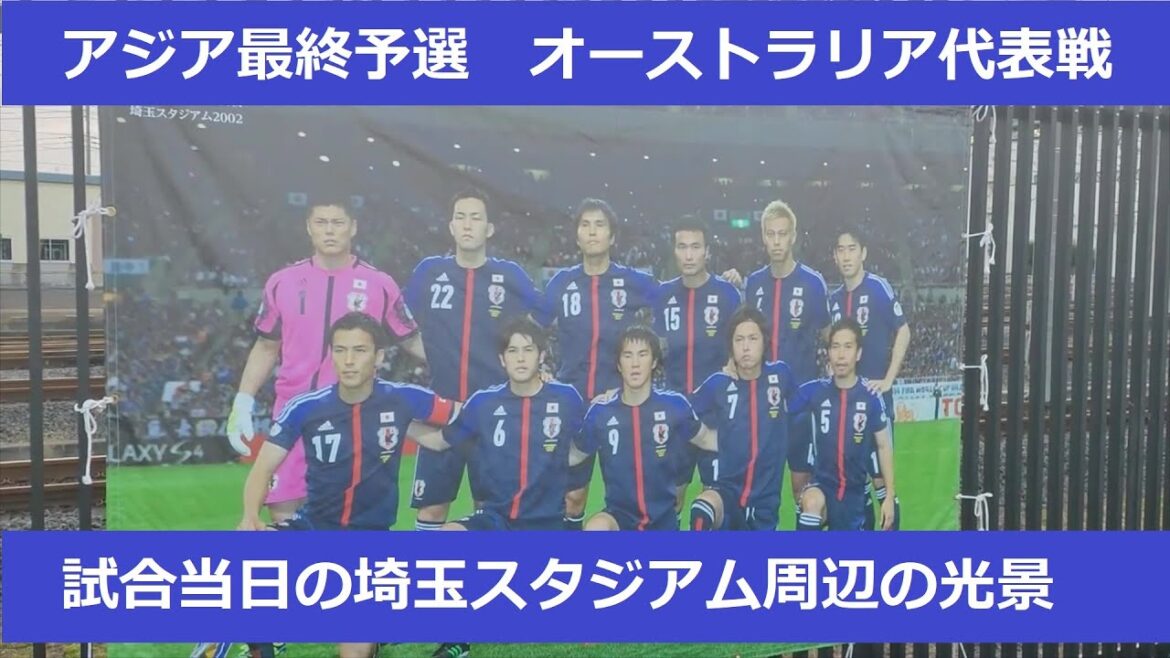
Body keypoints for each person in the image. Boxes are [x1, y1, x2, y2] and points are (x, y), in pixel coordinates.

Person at [237, 312, 457, 658]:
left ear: (379, 356)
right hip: (313, 529)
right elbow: (262, 468)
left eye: (359, 350)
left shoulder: (402, 399)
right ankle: (261, 647)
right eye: (340, 350)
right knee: (248, 547)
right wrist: (250, 517)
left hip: (369, 543)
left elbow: (466, 417)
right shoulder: (306, 407)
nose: (349, 360)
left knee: (354, 654)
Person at [226, 198, 425, 524]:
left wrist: (465, 368)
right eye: (321, 222)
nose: (329, 230)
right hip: (293, 415)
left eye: (337, 222)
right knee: (284, 519)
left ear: (353, 228)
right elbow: (265, 347)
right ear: (309, 228)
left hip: (353, 419)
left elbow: (412, 339)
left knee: (348, 521)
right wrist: (243, 401)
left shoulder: (380, 284)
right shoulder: (282, 282)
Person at [404, 188, 543, 530]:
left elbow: (543, 321)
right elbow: (398, 325)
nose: (468, 225)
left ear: (489, 229)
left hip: (493, 414)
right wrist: (431, 355)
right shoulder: (429, 272)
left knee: (490, 510)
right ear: (451, 226)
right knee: (432, 509)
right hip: (441, 410)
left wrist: (535, 367)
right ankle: (429, 579)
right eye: (461, 217)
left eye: (476, 218)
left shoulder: (509, 276)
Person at [541, 199, 659, 530]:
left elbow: (676, 300)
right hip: (573, 402)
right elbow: (531, 327)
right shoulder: (561, 283)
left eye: (600, 225)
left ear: (612, 236)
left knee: (629, 497)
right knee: (571, 496)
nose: (592, 232)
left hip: (618, 405)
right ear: (577, 237)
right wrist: (539, 368)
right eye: (585, 225)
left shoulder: (631, 281)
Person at [438, 316, 586, 531]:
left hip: (547, 522)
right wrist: (403, 420)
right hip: (495, 519)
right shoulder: (483, 402)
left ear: (541, 356)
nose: (520, 358)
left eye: (528, 350)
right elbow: (441, 441)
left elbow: (589, 440)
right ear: (502, 359)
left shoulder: (566, 398)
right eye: (512, 351)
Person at [576, 325, 717, 531]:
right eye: (628, 355)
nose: (635, 363)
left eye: (642, 355)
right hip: (618, 517)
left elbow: (706, 439)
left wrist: (750, 442)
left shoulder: (675, 405)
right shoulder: (601, 411)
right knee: (594, 529)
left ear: (653, 362)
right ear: (618, 363)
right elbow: (573, 454)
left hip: (663, 518)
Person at [742, 200, 830, 520]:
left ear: (793, 236)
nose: (777, 241)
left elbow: (830, 338)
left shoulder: (812, 283)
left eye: (783, 234)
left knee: (800, 486)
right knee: (760, 488)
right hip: (760, 405)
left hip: (799, 405)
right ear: (763, 237)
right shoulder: (753, 284)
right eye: (770, 234)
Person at [654, 215, 742, 509]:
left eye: (695, 247)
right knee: (672, 500)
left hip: (716, 414)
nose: (689, 254)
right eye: (682, 246)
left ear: (707, 251)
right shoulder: (662, 295)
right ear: (674, 251)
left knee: (713, 499)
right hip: (675, 413)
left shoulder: (727, 293)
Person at [688, 306, 799, 531]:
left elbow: (807, 403)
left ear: (764, 341)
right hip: (726, 490)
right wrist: (707, 439)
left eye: (752, 338)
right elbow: (679, 414)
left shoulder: (780, 376)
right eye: (739, 340)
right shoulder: (718, 383)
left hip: (766, 498)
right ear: (731, 346)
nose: (746, 347)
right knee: (701, 512)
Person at [828, 226, 910, 529]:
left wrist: (888, 379)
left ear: (863, 253)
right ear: (835, 256)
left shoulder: (878, 287)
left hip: (874, 400)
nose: (846, 255)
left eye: (852, 249)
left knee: (882, 480)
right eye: (841, 249)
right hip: (844, 404)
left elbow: (903, 329)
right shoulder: (834, 299)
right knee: (853, 477)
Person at [793, 318, 897, 531]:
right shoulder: (814, 391)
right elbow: (778, 401)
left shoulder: (870, 397)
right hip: (822, 486)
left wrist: (889, 496)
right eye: (835, 347)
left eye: (848, 347)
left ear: (858, 354)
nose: (841, 355)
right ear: (828, 353)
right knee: (811, 502)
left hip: (854, 494)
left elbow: (884, 446)